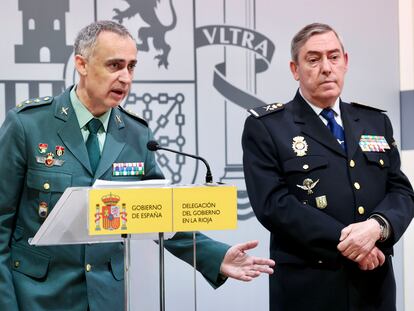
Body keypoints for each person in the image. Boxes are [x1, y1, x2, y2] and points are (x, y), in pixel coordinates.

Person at [0, 20, 275, 311]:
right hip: (37, 298)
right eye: (114, 65)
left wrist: (215, 256)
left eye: (131, 67)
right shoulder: (28, 125)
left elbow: (160, 214)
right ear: (81, 64)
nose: (125, 78)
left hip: (107, 298)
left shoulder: (136, 134)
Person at [242, 22, 414, 311]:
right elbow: (274, 205)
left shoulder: (374, 122)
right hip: (310, 286)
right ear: (295, 69)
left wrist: (377, 228)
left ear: (345, 63)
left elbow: (400, 191)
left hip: (374, 285)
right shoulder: (268, 127)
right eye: (313, 59)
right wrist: (354, 243)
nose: (326, 67)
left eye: (334, 57)